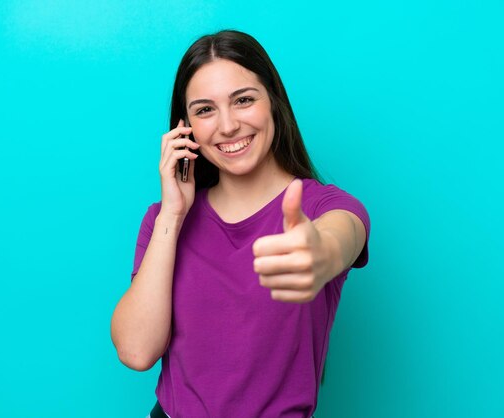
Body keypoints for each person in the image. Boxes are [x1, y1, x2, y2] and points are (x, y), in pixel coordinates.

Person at [110, 30, 370, 418]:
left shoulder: (323, 207)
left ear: (274, 103)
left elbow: (341, 236)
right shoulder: (164, 219)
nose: (228, 126)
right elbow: (136, 350)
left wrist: (322, 253)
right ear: (186, 130)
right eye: (204, 110)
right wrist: (173, 213)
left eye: (243, 100)